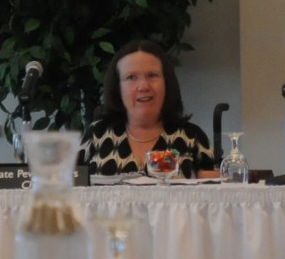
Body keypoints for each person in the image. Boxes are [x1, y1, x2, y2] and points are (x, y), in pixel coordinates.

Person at [80, 40, 217, 178]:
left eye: (152, 75)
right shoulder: (96, 134)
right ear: (118, 88)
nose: (143, 86)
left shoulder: (191, 136)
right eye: (131, 77)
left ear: (167, 83)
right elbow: (69, 189)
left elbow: (214, 193)